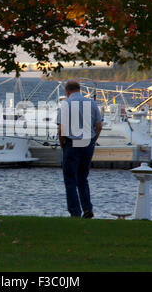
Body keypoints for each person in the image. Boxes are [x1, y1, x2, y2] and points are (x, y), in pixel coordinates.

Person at [57, 80, 103, 218]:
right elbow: (99, 126)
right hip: (87, 143)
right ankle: (87, 208)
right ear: (79, 89)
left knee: (70, 179)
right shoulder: (92, 103)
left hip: (72, 144)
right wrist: (93, 141)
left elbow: (61, 129)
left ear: (67, 91)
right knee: (83, 178)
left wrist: (62, 144)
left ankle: (75, 212)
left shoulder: (66, 104)